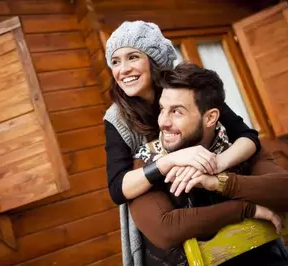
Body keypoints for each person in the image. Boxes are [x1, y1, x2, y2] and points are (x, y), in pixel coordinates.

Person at [129, 63, 288, 266]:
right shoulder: (148, 163)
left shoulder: (238, 148)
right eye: (162, 109)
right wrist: (245, 209)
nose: (163, 122)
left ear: (210, 118)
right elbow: (166, 229)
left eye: (177, 111)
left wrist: (217, 182)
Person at [104, 21, 260, 265]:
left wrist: (216, 163)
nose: (123, 69)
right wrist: (171, 160)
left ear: (154, 61)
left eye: (132, 57)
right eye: (115, 61)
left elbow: (248, 137)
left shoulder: (189, 89)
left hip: (218, 207)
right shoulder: (117, 118)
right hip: (172, 233)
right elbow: (117, 188)